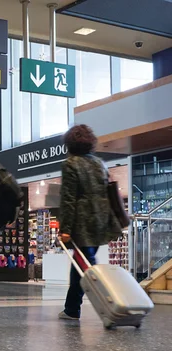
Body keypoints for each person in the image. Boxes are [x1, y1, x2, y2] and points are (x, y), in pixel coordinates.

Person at [58, 125, 122, 321]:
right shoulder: (99, 163)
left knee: (86, 264)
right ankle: (71, 308)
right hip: (100, 218)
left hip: (82, 221)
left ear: (69, 143)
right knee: (83, 262)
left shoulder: (70, 164)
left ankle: (107, 302)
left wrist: (65, 229)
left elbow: (68, 199)